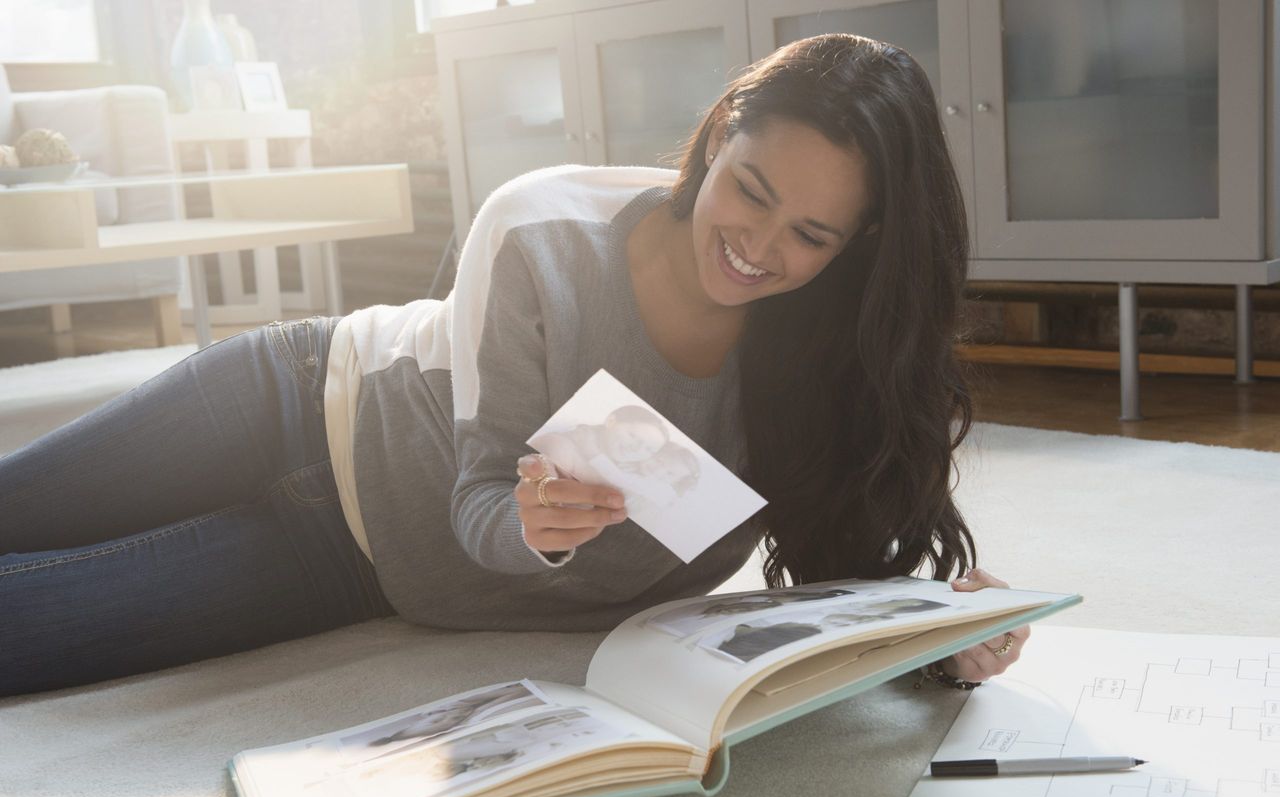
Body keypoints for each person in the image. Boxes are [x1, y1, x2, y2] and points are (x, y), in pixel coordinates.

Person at [0, 33, 1028, 697]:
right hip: (301, 398)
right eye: (748, 189)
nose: (759, 246)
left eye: (809, 233)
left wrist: (941, 635)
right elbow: (481, 494)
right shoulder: (543, 224)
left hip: (357, 562)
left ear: (858, 245)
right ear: (716, 135)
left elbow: (836, 586)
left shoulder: (823, 364)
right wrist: (533, 522)